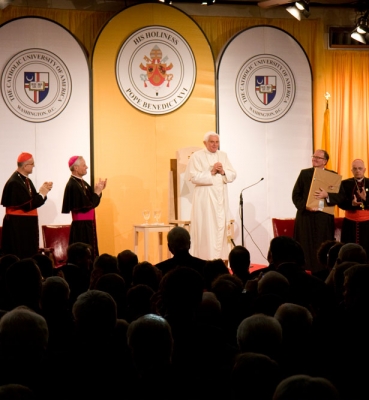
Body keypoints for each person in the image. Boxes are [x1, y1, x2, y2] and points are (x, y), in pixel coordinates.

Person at [185, 131, 236, 260]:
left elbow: (233, 174)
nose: (215, 145)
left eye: (217, 142)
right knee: (206, 229)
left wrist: (223, 171)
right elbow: (193, 177)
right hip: (205, 200)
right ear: (205, 143)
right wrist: (212, 171)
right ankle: (204, 259)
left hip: (220, 200)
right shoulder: (196, 156)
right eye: (212, 142)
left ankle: (219, 259)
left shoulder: (223, 155)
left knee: (219, 228)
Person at [292, 149, 343, 276]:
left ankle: (322, 273)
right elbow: (295, 195)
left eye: (318, 157)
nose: (314, 158)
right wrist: (306, 206)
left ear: (325, 161)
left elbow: (340, 197)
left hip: (323, 218)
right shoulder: (304, 174)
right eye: (314, 156)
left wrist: (327, 195)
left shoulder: (333, 176)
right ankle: (304, 272)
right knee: (304, 245)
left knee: (322, 245)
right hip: (305, 216)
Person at [1, 152, 52, 259]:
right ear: (25, 166)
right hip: (18, 227)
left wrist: (43, 192)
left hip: (26, 225)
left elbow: (33, 201)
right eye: (32, 163)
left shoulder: (25, 180)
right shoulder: (15, 182)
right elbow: (27, 205)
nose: (34, 166)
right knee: (20, 255)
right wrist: (42, 193)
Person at [62, 156, 107, 260]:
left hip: (88, 224)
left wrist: (98, 191)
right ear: (76, 168)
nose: (87, 167)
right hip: (81, 227)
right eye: (84, 165)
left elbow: (92, 200)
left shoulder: (82, 183)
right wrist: (97, 192)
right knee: (83, 256)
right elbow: (88, 205)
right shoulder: (73, 184)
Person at [338, 158, 369, 256]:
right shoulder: (344, 184)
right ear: (351, 170)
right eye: (355, 169)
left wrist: (366, 199)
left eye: (360, 168)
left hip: (367, 224)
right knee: (348, 251)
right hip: (349, 224)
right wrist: (352, 204)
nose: (357, 171)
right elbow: (340, 202)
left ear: (364, 169)